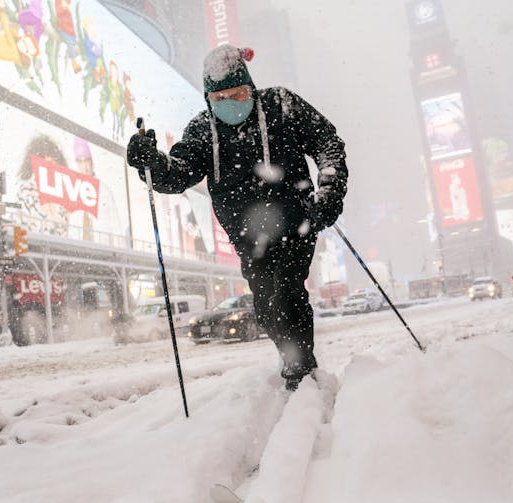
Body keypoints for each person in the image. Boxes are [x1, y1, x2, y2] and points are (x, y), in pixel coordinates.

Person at [126, 44, 348, 390]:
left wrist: (330, 191)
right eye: (220, 97)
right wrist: (152, 162)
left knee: (288, 293)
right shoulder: (203, 130)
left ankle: (300, 369)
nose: (231, 102)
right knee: (266, 306)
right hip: (247, 234)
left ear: (252, 88)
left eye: (239, 93)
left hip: (297, 222)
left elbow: (327, 142)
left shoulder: (281, 106)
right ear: (208, 99)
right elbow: (179, 173)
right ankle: (291, 355)